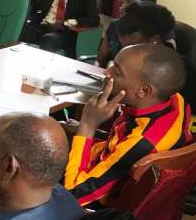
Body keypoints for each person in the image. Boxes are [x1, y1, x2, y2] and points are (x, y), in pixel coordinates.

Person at [65, 44, 192, 206]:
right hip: (106, 157)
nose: (107, 72)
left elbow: (73, 195)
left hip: (92, 201)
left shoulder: (141, 142)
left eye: (117, 71)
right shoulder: (174, 99)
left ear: (144, 91)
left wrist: (87, 126)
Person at [97, 0, 159, 67]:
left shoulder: (155, 32)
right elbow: (100, 60)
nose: (123, 7)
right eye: (121, 3)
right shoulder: (115, 25)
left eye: (129, 2)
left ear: (147, 4)